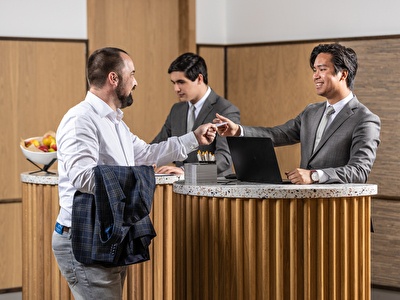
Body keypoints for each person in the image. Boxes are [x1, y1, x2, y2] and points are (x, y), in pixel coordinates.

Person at [51, 47, 217, 299]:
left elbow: (149, 153)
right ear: (113, 78)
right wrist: (140, 177)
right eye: (132, 74)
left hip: (108, 232)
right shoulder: (80, 119)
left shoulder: (115, 121)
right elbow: (82, 177)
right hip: (84, 234)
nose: (136, 81)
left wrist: (194, 138)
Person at [215, 43, 381, 184]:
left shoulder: (365, 120)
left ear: (343, 74)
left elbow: (359, 171)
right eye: (314, 70)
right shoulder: (311, 112)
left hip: (339, 212)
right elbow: (277, 134)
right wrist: (237, 130)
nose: (315, 76)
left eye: (322, 69)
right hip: (305, 207)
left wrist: (314, 176)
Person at [151, 52, 240, 177]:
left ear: (199, 78)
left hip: (214, 189)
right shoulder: (176, 110)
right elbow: (158, 145)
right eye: (173, 83)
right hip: (181, 189)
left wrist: (186, 171)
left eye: (181, 82)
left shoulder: (226, 109)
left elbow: (224, 158)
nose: (176, 89)